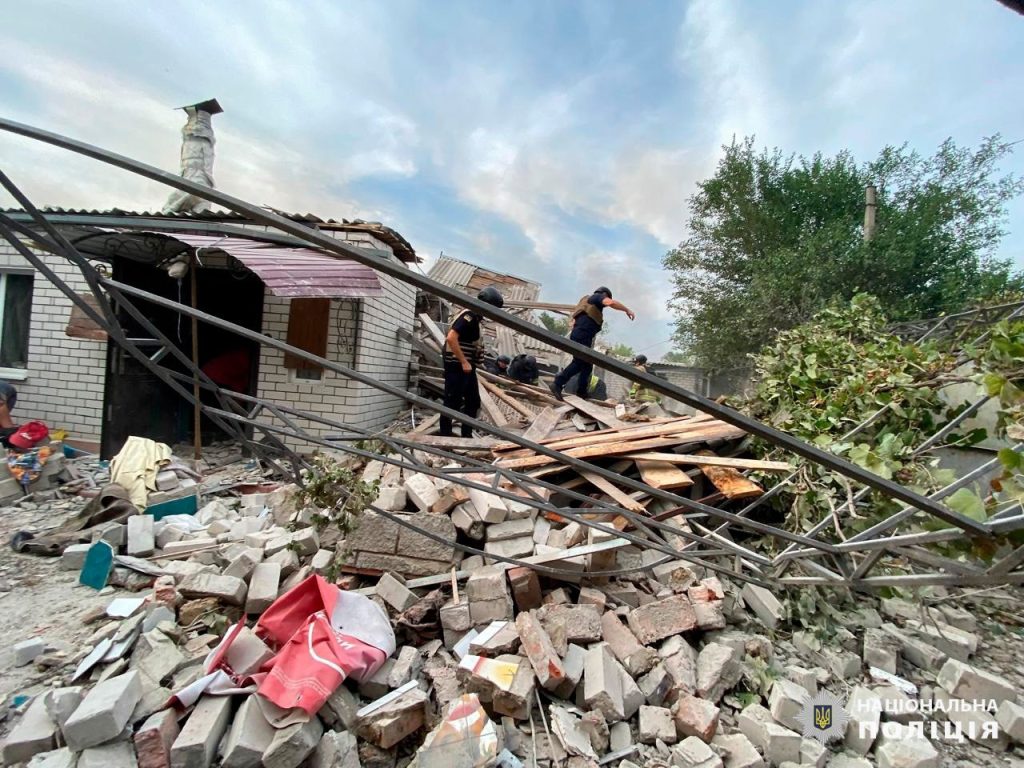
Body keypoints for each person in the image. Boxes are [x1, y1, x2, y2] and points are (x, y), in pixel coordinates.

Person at [440, 286, 504, 437]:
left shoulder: (475, 318)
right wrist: (464, 361)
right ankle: (445, 436)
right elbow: (451, 338)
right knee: (452, 401)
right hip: (457, 366)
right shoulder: (468, 316)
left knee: (473, 401)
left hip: (467, 367)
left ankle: (467, 435)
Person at [550, 286, 635, 401]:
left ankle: (581, 391)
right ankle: (557, 384)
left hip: (582, 335)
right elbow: (611, 303)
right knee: (579, 362)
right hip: (582, 334)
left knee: (587, 365)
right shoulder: (597, 297)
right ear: (604, 294)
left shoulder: (588, 302)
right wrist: (627, 310)